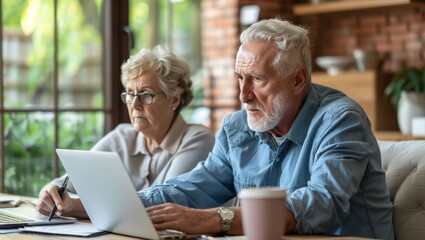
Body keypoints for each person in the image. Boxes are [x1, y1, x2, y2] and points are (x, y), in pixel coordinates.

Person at [38, 18, 395, 240]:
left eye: (256, 79)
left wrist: (216, 220)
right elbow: (189, 190)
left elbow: (322, 203)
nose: (243, 95)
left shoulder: (340, 120)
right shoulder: (238, 128)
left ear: (298, 79)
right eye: (240, 78)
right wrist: (85, 206)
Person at [36, 46, 215, 218]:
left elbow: (165, 204)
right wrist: (51, 192)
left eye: (146, 94)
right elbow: (71, 180)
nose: (134, 105)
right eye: (130, 94)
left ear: (174, 100)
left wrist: (74, 206)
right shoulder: (122, 137)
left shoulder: (198, 140)